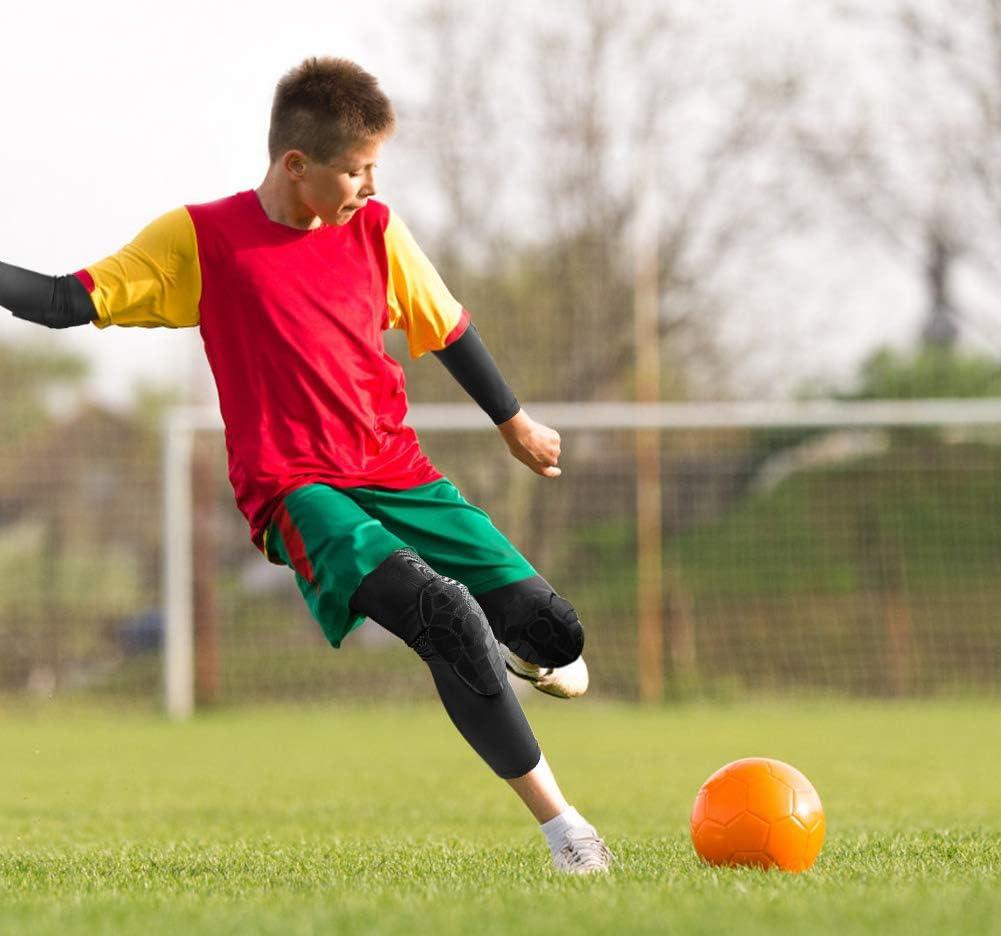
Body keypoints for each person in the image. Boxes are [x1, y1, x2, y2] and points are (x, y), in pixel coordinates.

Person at [0, 56, 613, 874]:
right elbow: (60, 300)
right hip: (296, 489)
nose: (370, 185)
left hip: (397, 472)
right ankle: (566, 830)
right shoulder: (200, 239)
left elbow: (449, 328)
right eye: (356, 169)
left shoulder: (377, 231)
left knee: (555, 629)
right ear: (296, 164)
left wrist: (514, 422)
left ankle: (527, 651)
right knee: (446, 617)